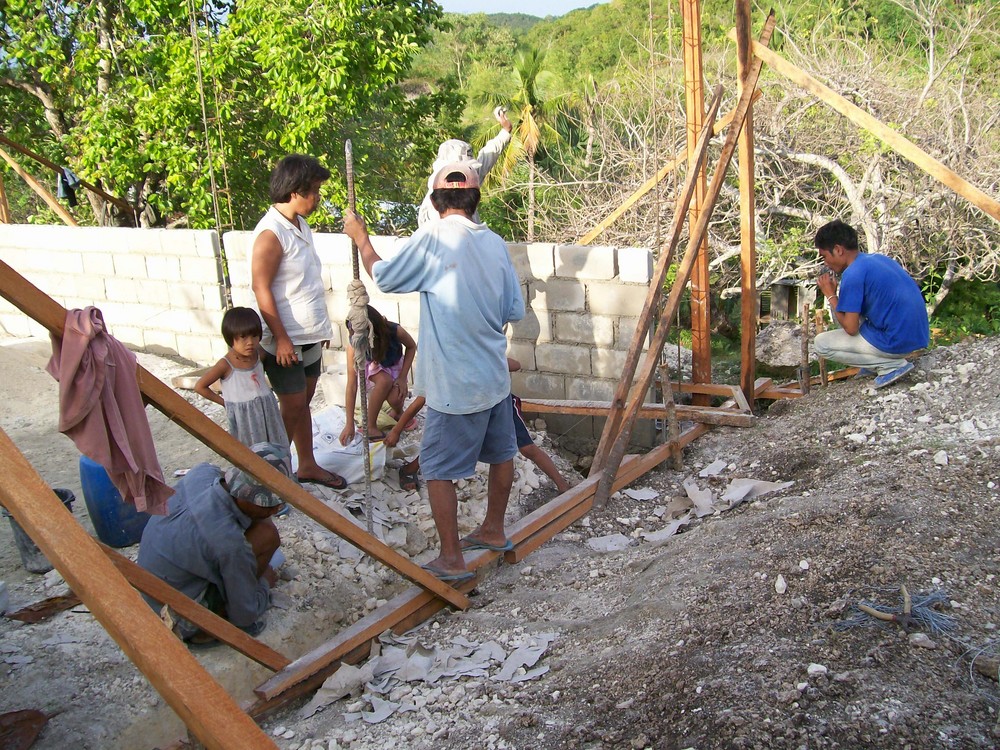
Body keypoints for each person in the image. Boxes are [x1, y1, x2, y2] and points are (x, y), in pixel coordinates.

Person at [344, 162, 525, 583]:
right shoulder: (495, 243)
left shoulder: (434, 238)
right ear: (476, 200)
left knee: (438, 469)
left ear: (434, 200)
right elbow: (514, 311)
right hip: (494, 378)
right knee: (502, 455)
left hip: (455, 385)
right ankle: (494, 529)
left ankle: (451, 558)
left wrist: (361, 239)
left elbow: (384, 277)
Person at [250, 154, 346, 490]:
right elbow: (260, 287)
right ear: (294, 191)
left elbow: (303, 284)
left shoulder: (299, 225)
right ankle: (271, 476)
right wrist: (282, 339)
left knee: (303, 402)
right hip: (284, 339)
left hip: (308, 334)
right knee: (290, 406)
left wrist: (318, 330)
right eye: (314, 191)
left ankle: (306, 465)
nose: (317, 198)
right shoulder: (270, 234)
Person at [137, 442, 291, 642]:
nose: (276, 509)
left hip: (149, 585)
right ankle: (203, 631)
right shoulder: (229, 545)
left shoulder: (203, 472)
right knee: (267, 535)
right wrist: (263, 584)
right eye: (268, 505)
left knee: (259, 528)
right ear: (244, 498)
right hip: (172, 614)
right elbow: (244, 617)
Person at [383, 357, 571, 496]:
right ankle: (409, 469)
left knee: (525, 448)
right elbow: (417, 403)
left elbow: (516, 364)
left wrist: (489, 360)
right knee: (442, 444)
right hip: (466, 410)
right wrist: (396, 431)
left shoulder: (481, 358)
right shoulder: (449, 372)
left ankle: (562, 486)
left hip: (499, 406)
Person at [814, 219, 930, 388]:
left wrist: (830, 295)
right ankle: (873, 363)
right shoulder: (876, 259)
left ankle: (889, 366)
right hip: (918, 336)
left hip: (897, 342)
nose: (825, 262)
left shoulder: (853, 274)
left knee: (821, 344)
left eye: (824, 256)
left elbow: (851, 328)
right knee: (860, 320)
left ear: (838, 250)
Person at [194, 307, 289, 450]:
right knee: (252, 451)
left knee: (274, 446)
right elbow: (200, 386)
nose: (250, 342)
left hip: (267, 409)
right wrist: (225, 403)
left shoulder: (259, 355)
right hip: (245, 417)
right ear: (230, 337)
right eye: (243, 337)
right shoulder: (225, 365)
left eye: (254, 336)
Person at [417, 107, 512, 228]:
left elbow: (488, 155)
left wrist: (505, 131)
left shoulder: (470, 176)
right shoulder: (430, 212)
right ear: (434, 201)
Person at [339, 305, 416, 445]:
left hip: (393, 365)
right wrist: (349, 423)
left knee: (395, 397)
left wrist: (403, 377)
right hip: (373, 368)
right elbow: (352, 385)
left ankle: (399, 412)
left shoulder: (394, 330)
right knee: (384, 381)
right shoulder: (354, 345)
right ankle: (370, 426)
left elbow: (411, 346)